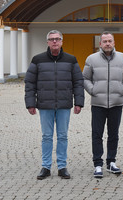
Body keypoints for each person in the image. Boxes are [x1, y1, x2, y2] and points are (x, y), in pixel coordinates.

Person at [24, 30, 84, 180]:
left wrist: (79, 102)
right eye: (52, 39)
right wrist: (30, 103)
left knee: (63, 136)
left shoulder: (71, 60)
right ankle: (46, 166)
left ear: (62, 41)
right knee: (46, 136)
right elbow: (30, 83)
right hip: (45, 105)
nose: (55, 42)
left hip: (64, 105)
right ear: (48, 42)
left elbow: (78, 82)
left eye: (57, 39)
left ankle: (62, 167)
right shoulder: (37, 60)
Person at [82, 31, 123, 178]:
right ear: (100, 44)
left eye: (110, 41)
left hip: (116, 103)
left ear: (114, 42)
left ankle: (111, 162)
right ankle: (97, 164)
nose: (107, 44)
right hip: (98, 103)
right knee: (97, 134)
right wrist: (92, 90)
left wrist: (122, 90)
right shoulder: (91, 59)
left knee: (114, 134)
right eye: (104, 41)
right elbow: (85, 78)